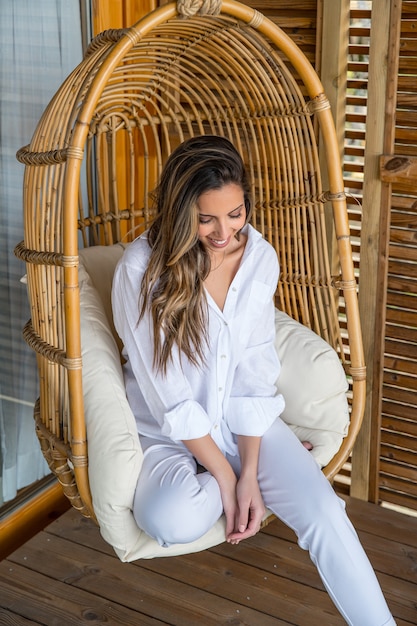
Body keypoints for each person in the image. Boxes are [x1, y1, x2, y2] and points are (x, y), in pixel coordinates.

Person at [112, 135, 396, 625]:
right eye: (207, 219)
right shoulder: (141, 270)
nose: (225, 232)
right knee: (168, 520)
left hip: (246, 426)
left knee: (327, 515)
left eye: (236, 213)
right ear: (182, 212)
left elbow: (255, 372)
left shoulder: (260, 258)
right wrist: (227, 476)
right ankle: (221, 475)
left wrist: (250, 467)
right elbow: (168, 398)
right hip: (169, 434)